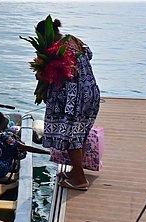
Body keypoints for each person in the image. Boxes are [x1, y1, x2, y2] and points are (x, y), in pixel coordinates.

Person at [36, 17, 101, 191]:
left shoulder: (56, 50)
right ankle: (75, 171)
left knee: (71, 137)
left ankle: (80, 179)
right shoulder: (74, 40)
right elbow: (89, 54)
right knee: (79, 134)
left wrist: (39, 76)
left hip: (73, 98)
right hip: (91, 92)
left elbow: (56, 74)